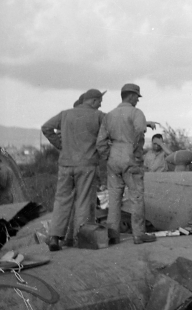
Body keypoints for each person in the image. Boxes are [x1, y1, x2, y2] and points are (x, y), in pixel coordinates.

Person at [40, 89, 107, 251]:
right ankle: (79, 237)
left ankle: (55, 236)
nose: (100, 105)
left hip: (65, 163)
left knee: (62, 200)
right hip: (87, 164)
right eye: (99, 101)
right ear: (92, 101)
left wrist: (60, 145)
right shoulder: (99, 116)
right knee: (84, 200)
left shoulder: (65, 114)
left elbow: (46, 127)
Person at [96, 83, 156, 245]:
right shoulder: (137, 113)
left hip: (113, 157)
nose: (138, 100)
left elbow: (100, 142)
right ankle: (138, 234)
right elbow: (139, 133)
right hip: (130, 157)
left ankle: (113, 235)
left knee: (114, 198)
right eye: (137, 96)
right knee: (136, 196)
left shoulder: (109, 115)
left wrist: (108, 156)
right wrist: (136, 155)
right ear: (131, 96)